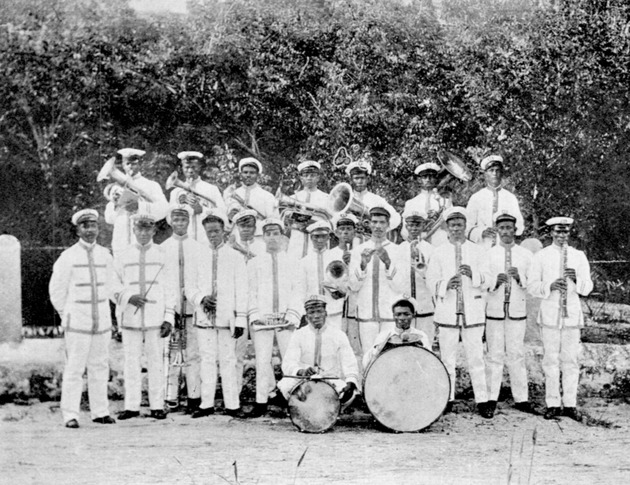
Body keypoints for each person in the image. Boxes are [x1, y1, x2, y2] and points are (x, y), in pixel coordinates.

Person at [49, 209, 119, 428]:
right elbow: (57, 290)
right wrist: (66, 313)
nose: (90, 230)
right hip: (77, 321)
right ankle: (70, 414)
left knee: (99, 365)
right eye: (85, 226)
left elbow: (112, 286)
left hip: (101, 322)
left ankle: (100, 411)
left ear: (98, 228)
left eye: (93, 226)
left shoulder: (105, 255)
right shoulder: (68, 257)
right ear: (78, 229)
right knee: (75, 368)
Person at [426, 207, 494, 418]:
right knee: (448, 359)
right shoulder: (438, 252)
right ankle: (448, 398)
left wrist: (473, 275)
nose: (456, 228)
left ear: (465, 226)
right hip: (448, 312)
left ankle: (482, 400)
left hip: (472, 311)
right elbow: (430, 281)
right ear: (447, 227)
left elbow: (489, 280)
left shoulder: (478, 251)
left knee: (476, 358)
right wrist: (445, 284)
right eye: (452, 225)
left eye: (460, 224)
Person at [528, 217, 593, 421]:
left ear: (569, 233)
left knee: (571, 361)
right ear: (551, 233)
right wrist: (550, 286)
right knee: (550, 360)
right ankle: (553, 403)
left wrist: (576, 279)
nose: (561, 235)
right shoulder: (541, 256)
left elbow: (588, 287)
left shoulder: (578, 256)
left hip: (571, 315)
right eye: (557, 232)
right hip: (550, 314)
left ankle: (570, 404)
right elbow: (532, 286)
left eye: (565, 232)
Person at [185, 209, 248, 418]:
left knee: (228, 359)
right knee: (207, 359)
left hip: (227, 318)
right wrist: (202, 298)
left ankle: (232, 405)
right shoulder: (197, 256)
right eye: (209, 231)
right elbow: (189, 287)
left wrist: (240, 319)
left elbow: (242, 290)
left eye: (216, 231)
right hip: (204, 317)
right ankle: (206, 404)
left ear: (224, 231)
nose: (212, 235)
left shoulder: (235, 257)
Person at [113, 212, 175, 420]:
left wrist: (168, 317)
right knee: (131, 363)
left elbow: (171, 288)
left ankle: (157, 405)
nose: (143, 233)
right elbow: (113, 284)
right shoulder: (122, 255)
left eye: (148, 229)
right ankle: (132, 406)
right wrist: (128, 297)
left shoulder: (162, 254)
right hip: (130, 317)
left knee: (156, 362)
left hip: (155, 318)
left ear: (154, 230)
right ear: (133, 230)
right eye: (139, 228)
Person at [480, 210, 535, 415]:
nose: (505, 232)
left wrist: (520, 278)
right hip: (494, 310)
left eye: (509, 228)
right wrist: (495, 281)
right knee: (494, 355)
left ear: (515, 229)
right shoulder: (489, 254)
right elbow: (482, 281)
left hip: (516, 311)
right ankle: (490, 398)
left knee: (516, 354)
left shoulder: (526, 255)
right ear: (497, 230)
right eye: (501, 228)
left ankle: (521, 399)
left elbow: (533, 283)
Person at [246, 218, 301, 417]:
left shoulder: (293, 261)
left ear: (281, 235)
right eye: (267, 233)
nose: (271, 237)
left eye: (275, 233)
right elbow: (250, 291)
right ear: (263, 237)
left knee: (289, 359)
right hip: (263, 320)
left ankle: (290, 400)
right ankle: (262, 401)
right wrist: (255, 315)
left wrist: (292, 315)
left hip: (286, 320)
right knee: (262, 359)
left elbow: (298, 290)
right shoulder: (254, 263)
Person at [277, 295, 359, 408]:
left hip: (330, 379)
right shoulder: (298, 335)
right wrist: (301, 371)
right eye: (311, 312)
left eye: (319, 311)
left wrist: (351, 381)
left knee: (348, 391)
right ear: (306, 317)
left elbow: (349, 362)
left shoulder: (338, 335)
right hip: (303, 380)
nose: (316, 316)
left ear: (326, 313)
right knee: (285, 385)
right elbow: (288, 363)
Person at [159, 205, 203, 414]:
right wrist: (169, 310)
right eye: (175, 220)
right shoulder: (163, 248)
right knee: (172, 354)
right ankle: (171, 397)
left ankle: (194, 397)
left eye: (183, 220)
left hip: (192, 309)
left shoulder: (197, 247)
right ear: (170, 222)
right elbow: (161, 282)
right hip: (171, 310)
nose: (179, 224)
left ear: (188, 222)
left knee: (193, 354)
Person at [348, 206, 403, 352]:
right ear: (369, 224)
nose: (378, 226)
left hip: (390, 313)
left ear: (388, 225)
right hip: (366, 313)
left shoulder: (397, 250)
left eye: (382, 222)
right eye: (374, 222)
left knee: (390, 355)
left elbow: (400, 286)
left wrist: (388, 263)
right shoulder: (358, 250)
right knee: (369, 354)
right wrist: (363, 265)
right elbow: (353, 286)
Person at [104, 148, 168, 256]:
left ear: (140, 165)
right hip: (120, 243)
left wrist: (139, 206)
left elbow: (164, 209)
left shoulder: (151, 185)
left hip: (142, 241)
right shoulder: (116, 187)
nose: (130, 167)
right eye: (127, 163)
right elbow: (109, 219)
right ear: (123, 165)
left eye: (134, 163)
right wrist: (115, 205)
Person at [229, 209, 266, 393]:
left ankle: (269, 391)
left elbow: (263, 265)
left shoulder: (262, 246)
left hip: (257, 305)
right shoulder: (229, 247)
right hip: (237, 306)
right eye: (242, 226)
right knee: (237, 351)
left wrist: (240, 248)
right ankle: (234, 393)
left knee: (263, 352)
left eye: (249, 226)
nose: (245, 230)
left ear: (254, 227)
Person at [295, 220, 348, 330]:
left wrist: (339, 290)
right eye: (316, 236)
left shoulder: (337, 258)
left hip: (333, 309)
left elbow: (345, 283)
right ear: (311, 238)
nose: (320, 240)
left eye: (323, 236)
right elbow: (300, 289)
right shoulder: (304, 262)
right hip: (313, 311)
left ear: (328, 237)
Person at [465, 154, 524, 249]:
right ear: (485, 174)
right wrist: (481, 232)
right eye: (491, 170)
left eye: (497, 170)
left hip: (504, 247)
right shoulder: (476, 197)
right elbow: (467, 226)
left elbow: (519, 225)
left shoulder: (510, 197)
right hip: (482, 247)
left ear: (502, 173)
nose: (494, 174)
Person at [397, 208, 436, 346]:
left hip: (425, 307)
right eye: (410, 225)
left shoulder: (430, 249)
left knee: (426, 345)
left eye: (417, 225)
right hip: (404, 308)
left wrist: (422, 263)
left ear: (423, 226)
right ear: (406, 226)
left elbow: (433, 279)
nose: (414, 228)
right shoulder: (399, 248)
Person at [168, 151, 226, 243]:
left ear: (199, 167)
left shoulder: (211, 189)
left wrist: (202, 210)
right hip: (184, 238)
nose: (190, 171)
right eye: (187, 167)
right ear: (181, 168)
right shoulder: (175, 192)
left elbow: (223, 214)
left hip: (206, 239)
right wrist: (181, 207)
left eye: (193, 167)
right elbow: (169, 218)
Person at [362, 296, 431, 370]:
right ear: (393, 316)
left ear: (413, 315)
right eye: (398, 314)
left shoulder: (421, 335)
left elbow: (430, 360)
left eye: (406, 314)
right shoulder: (384, 335)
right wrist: (378, 349)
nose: (402, 318)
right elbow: (366, 362)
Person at [285, 160, 330, 260]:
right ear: (301, 177)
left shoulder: (327, 198)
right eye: (306, 175)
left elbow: (332, 222)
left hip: (318, 241)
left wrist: (313, 223)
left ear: (318, 177)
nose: (309, 178)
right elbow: (285, 224)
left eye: (313, 175)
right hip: (296, 242)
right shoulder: (293, 198)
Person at [345, 160, 401, 236]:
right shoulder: (345, 198)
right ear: (351, 180)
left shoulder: (377, 200)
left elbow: (396, 218)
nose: (360, 181)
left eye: (362, 178)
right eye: (356, 178)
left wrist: (380, 229)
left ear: (368, 179)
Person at [224, 157, 279, 235]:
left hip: (259, 236)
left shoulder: (267, 196)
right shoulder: (232, 195)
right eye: (245, 172)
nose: (248, 175)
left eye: (252, 173)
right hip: (237, 235)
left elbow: (273, 220)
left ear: (258, 175)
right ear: (240, 174)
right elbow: (224, 219)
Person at [402, 162, 451, 246]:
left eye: (431, 176)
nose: (428, 179)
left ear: (436, 179)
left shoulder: (445, 201)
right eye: (424, 177)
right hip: (419, 244)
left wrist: (440, 220)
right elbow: (404, 231)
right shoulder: (411, 203)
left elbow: (450, 226)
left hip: (440, 243)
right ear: (419, 180)